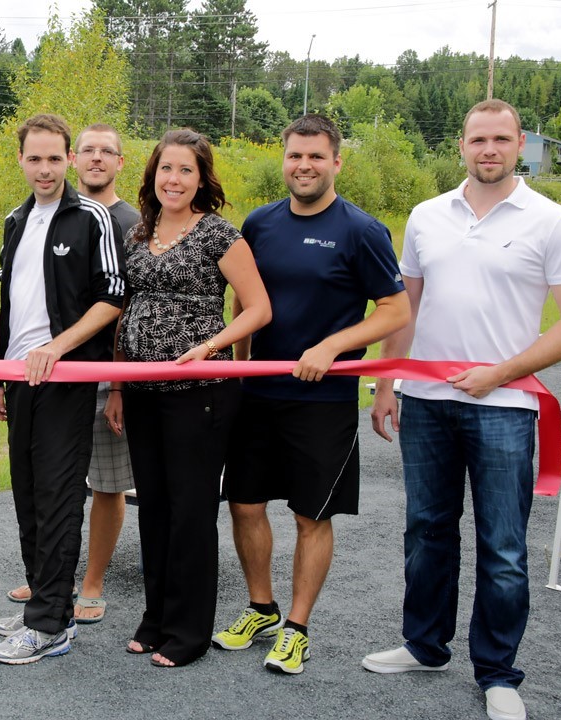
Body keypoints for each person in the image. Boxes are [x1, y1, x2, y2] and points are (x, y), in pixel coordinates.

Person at [364, 99, 561, 720]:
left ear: (520, 144)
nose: (488, 150)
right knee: (426, 531)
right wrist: (386, 384)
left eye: (500, 139)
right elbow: (405, 308)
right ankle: (424, 644)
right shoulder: (427, 216)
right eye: (477, 140)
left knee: (503, 546)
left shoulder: (553, 221)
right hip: (427, 403)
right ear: (460, 145)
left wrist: (502, 374)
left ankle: (497, 673)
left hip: (507, 405)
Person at [214, 114, 409, 674]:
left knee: (309, 515)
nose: (304, 166)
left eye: (316, 157)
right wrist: (239, 369)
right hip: (258, 394)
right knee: (245, 504)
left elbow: (396, 311)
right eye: (295, 156)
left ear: (336, 162)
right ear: (284, 159)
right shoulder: (259, 224)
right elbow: (245, 304)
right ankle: (262, 609)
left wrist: (331, 347)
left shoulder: (361, 231)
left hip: (321, 400)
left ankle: (297, 628)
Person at [104, 129, 272, 668]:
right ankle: (156, 618)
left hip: (200, 392)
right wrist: (120, 385)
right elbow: (127, 310)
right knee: (154, 507)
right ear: (153, 174)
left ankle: (189, 630)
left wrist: (210, 346)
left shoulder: (219, 235)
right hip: (144, 393)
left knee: (191, 511)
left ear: (202, 179)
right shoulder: (140, 233)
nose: (173, 179)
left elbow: (258, 308)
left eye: (185, 170)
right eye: (166, 169)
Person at [0, 113, 125, 665]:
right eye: (33, 158)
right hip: (21, 381)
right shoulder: (15, 221)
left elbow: (112, 298)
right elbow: (11, 306)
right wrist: (1, 370)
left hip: (66, 379)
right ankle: (45, 604)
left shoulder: (92, 217)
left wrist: (58, 348)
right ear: (20, 160)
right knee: (28, 494)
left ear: (69, 159)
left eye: (53, 158)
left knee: (60, 497)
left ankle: (49, 626)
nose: (44, 168)